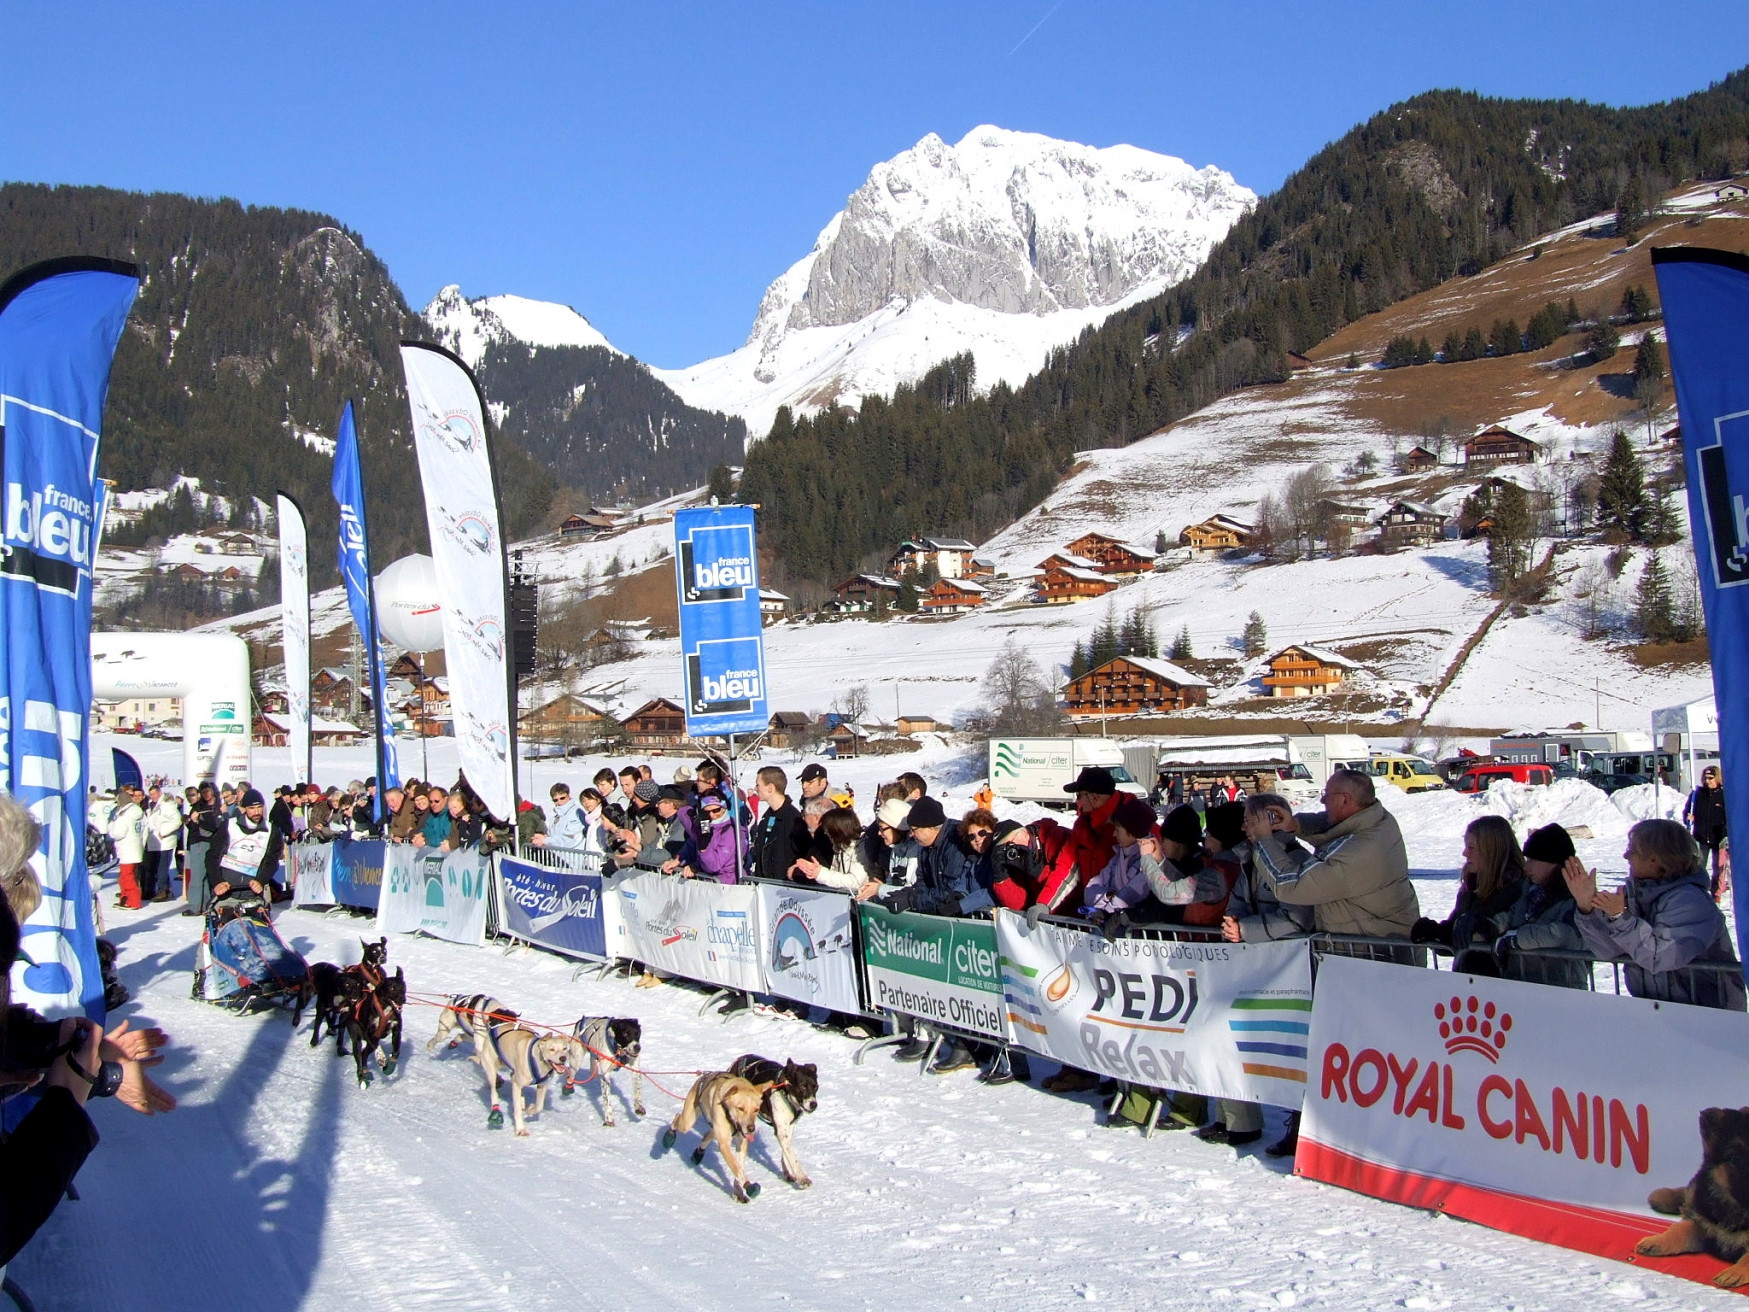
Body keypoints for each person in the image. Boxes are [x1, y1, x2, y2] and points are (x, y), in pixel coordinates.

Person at [1568, 818, 1747, 1010]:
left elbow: (1660, 956)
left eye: (1632, 851)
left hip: (1708, 1018)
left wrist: (1620, 918)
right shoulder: (1635, 896)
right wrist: (1586, 907)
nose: (1625, 856)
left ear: (1654, 859)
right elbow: (1610, 950)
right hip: (1659, 1013)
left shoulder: (1690, 900)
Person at [1252, 768, 1419, 945]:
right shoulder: (1376, 818)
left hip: (1374, 956)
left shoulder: (1359, 851)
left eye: (1327, 794)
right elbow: (1339, 825)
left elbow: (1290, 886)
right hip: (1372, 948)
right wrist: (1294, 824)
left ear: (1344, 799)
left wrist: (1263, 840)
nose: (1323, 799)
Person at [1411, 815, 1526, 958]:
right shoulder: (1471, 887)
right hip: (1469, 978)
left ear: (1491, 850)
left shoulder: (1516, 889)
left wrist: (1451, 933)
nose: (1465, 853)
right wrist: (1433, 932)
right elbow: (1457, 939)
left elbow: (1484, 936)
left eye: (1471, 847)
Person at [1495, 823, 1590, 989]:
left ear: (1552, 862)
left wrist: (1517, 938)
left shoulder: (1577, 897)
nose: (1526, 867)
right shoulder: (1530, 892)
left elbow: (1565, 934)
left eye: (1533, 860)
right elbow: (1511, 917)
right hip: (1523, 986)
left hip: (1562, 991)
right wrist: (1486, 927)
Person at [211, 788, 281, 902]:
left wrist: (261, 881)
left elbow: (272, 861)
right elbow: (212, 856)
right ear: (244, 809)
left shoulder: (272, 831)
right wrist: (217, 882)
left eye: (259, 807)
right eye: (252, 808)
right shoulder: (229, 825)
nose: (256, 812)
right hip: (226, 892)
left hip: (253, 893)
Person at [791, 807, 879, 895]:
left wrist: (821, 873)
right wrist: (815, 872)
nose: (826, 834)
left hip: (863, 901)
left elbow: (855, 882)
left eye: (828, 831)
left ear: (837, 830)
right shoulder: (840, 848)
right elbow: (836, 877)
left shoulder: (861, 847)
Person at [748, 767, 808, 883]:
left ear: (770, 788)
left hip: (784, 889)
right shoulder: (766, 819)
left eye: (758, 785)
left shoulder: (793, 819)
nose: (755, 789)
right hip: (764, 887)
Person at [1684, 765, 1729, 899]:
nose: (1707, 781)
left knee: (1719, 868)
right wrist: (1688, 817)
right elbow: (1687, 811)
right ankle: (1700, 891)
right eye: (1705, 778)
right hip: (1701, 836)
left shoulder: (1724, 795)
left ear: (1717, 778)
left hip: (1719, 837)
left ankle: (1716, 893)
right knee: (1699, 867)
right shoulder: (1698, 794)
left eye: (1711, 778)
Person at [105, 785, 146, 910]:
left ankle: (133, 901)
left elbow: (118, 833)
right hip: (136, 848)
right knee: (127, 876)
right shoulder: (139, 812)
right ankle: (125, 898)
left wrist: (111, 826)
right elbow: (145, 829)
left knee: (127, 877)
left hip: (126, 849)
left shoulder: (124, 815)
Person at [142, 784, 183, 903]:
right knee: (156, 867)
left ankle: (163, 891)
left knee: (162, 868)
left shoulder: (166, 805)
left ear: (160, 793)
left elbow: (177, 820)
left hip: (165, 841)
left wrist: (163, 832)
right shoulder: (152, 806)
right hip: (154, 842)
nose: (152, 796)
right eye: (151, 794)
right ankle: (165, 889)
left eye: (154, 794)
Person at [547, 783, 587, 850]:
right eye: (555, 800)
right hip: (558, 857)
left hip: (573, 857)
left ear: (568, 795)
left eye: (562, 798)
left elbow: (570, 839)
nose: (559, 802)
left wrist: (546, 840)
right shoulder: (556, 816)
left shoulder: (576, 813)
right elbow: (551, 834)